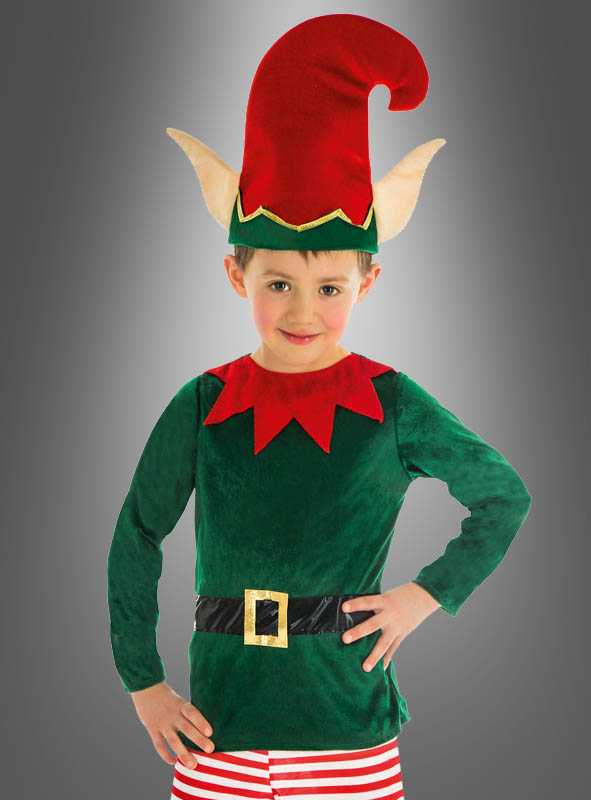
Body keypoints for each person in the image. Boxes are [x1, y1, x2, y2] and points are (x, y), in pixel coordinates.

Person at [107, 14, 532, 799]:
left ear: (366, 282)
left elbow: (503, 495)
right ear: (236, 275)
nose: (303, 311)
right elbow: (137, 531)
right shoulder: (203, 402)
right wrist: (144, 685)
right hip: (217, 733)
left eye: (329, 287)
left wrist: (423, 596)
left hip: (348, 736)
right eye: (278, 284)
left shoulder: (391, 402)